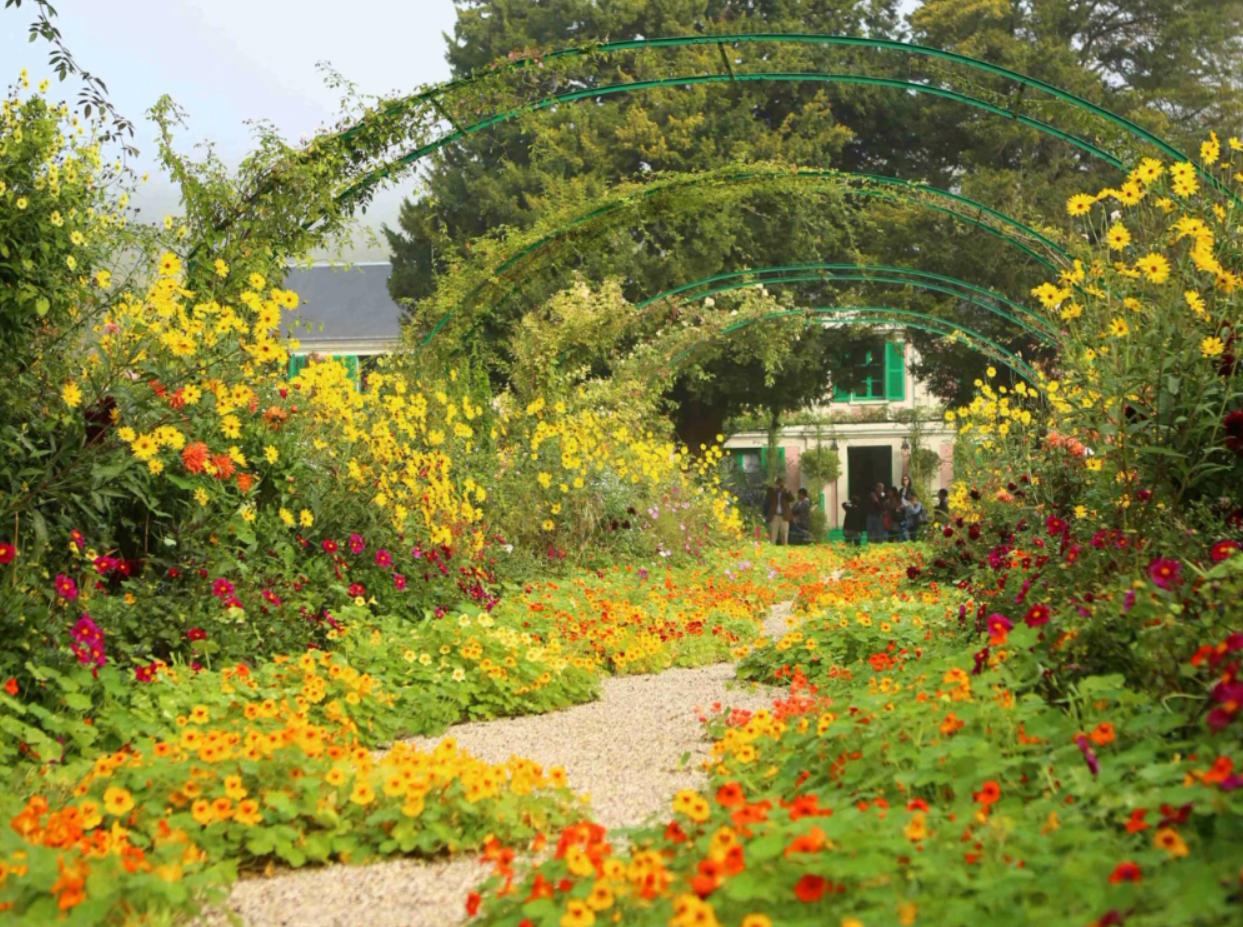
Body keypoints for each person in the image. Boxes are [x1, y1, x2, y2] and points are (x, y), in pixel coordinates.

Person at [763, 477, 794, 545]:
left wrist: (787, 490)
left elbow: (791, 499)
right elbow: (768, 498)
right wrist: (774, 488)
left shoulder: (785, 492)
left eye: (781, 483)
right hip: (774, 516)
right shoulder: (772, 491)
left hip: (784, 516)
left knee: (784, 533)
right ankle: (772, 547)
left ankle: (785, 547)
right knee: (773, 534)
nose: (780, 485)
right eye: (778, 483)